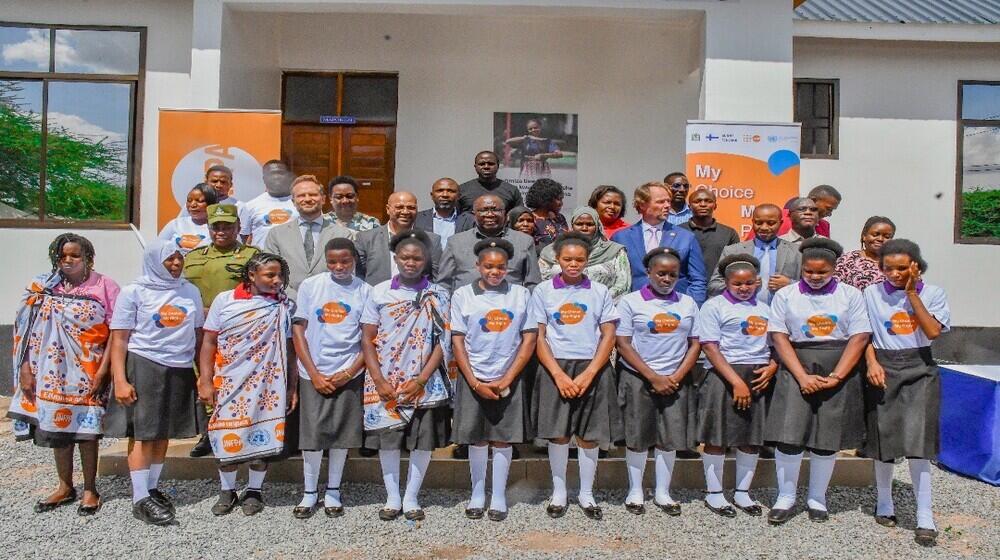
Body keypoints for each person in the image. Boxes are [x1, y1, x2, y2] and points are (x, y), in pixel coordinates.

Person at [7, 234, 119, 516]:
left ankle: (91, 488)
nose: (67, 260)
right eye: (62, 256)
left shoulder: (105, 286)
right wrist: (25, 370)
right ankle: (65, 485)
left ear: (88, 258)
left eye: (74, 255)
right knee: (58, 428)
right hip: (50, 372)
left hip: (89, 371)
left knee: (88, 431)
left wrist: (105, 371)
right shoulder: (41, 288)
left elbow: (117, 332)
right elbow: (24, 332)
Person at [764, 237, 872, 525]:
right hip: (796, 364)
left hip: (837, 365)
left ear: (834, 269)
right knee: (790, 434)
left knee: (827, 437)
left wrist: (837, 376)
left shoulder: (851, 295)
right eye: (809, 272)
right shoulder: (786, 295)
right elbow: (779, 335)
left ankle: (817, 498)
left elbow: (859, 337)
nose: (814, 277)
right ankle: (785, 498)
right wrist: (800, 375)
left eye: (821, 272)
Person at [105, 240, 204, 526]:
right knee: (144, 434)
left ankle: (152, 487)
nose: (176, 264)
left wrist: (203, 375)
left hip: (180, 367)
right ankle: (139, 499)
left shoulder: (189, 291)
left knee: (164, 433)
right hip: (145, 363)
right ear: (153, 261)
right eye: (169, 260)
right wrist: (120, 380)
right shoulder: (133, 291)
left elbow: (197, 336)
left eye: (178, 259)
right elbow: (120, 339)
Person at [360, 230, 452, 522]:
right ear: (395, 259)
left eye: (417, 258)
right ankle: (392, 497)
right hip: (385, 379)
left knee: (421, 441)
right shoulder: (379, 292)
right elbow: (367, 338)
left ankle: (412, 496)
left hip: (424, 381)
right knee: (388, 440)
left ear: (426, 261)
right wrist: (379, 380)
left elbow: (443, 341)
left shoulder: (438, 294)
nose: (410, 262)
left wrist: (422, 379)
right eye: (405, 257)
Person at [863, 239, 949, 546]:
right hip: (883, 366)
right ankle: (884, 501)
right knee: (884, 438)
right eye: (888, 268)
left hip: (919, 367)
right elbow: (866, 334)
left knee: (918, 441)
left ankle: (924, 514)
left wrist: (912, 293)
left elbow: (933, 331)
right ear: (880, 268)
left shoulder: (933, 293)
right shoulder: (871, 293)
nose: (895, 274)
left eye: (902, 268)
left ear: (916, 265)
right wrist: (872, 363)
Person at [197, 252, 296, 517]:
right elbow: (209, 341)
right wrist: (205, 379)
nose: (277, 280)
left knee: (260, 435)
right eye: (270, 275)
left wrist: (292, 387)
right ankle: (227, 490)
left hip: (268, 383)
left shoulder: (283, 306)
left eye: (280, 275)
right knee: (223, 434)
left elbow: (289, 348)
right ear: (252, 275)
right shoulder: (225, 300)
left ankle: (254, 490)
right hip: (229, 379)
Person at [529, 232, 619, 520]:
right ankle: (559, 492)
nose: (573, 264)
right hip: (555, 368)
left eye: (579, 259)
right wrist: (558, 375)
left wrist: (591, 371)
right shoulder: (543, 291)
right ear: (557, 259)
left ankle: (587, 493)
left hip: (592, 367)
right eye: (567, 259)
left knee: (589, 435)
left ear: (587, 260)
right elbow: (539, 336)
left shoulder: (600, 291)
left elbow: (608, 334)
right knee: (559, 433)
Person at [451, 238, 537, 522]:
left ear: (508, 268)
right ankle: (478, 493)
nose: (494, 272)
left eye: (500, 267)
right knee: (476, 438)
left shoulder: (521, 295)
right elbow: (458, 341)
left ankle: (498, 494)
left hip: (507, 376)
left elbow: (528, 339)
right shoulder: (464, 295)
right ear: (478, 266)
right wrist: (474, 381)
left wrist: (508, 377)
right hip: (473, 375)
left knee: (502, 439)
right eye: (488, 266)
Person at [615, 248, 700, 517]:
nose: (666, 279)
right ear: (649, 272)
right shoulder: (630, 302)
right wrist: (652, 376)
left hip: (675, 378)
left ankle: (663, 492)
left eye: (672, 274)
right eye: (661, 273)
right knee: (638, 435)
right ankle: (635, 490)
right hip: (638, 376)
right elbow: (623, 344)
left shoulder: (687, 304)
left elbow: (696, 343)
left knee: (669, 437)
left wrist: (676, 376)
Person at [289, 238, 370, 519]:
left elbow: (369, 339)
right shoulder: (311, 286)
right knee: (312, 435)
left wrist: (348, 372)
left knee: (340, 434)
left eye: (345, 261)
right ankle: (309, 491)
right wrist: (313, 373)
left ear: (354, 260)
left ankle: (333, 489)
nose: (339, 267)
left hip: (348, 371)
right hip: (314, 371)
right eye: (332, 261)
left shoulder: (365, 290)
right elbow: (299, 329)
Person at [695, 254, 777, 518]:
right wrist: (736, 382)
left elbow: (778, 343)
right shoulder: (714, 306)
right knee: (716, 437)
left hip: (757, 374)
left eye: (749, 283)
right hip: (725, 374)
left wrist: (773, 366)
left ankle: (742, 492)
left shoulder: (766, 309)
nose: (744, 288)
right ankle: (714, 493)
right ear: (726, 283)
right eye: (737, 284)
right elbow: (710, 346)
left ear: (758, 282)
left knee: (751, 438)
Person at [183, 203, 261, 458]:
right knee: (204, 375)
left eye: (228, 226)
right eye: (216, 226)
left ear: (238, 227)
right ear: (209, 227)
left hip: (240, 330)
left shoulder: (253, 255)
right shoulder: (193, 257)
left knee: (236, 378)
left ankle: (242, 428)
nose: (222, 231)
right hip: (201, 330)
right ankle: (209, 431)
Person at [611, 182, 707, 305]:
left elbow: (698, 280)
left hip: (674, 308)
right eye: (661, 202)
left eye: (668, 201)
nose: (667, 206)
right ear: (642, 205)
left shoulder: (686, 237)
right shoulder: (621, 237)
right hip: (635, 308)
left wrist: (692, 306)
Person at [263, 174, 355, 300]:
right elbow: (271, 273)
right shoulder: (276, 234)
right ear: (293, 201)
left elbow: (348, 272)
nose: (307, 199)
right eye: (301, 195)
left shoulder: (343, 234)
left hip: (330, 304)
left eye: (313, 194)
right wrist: (296, 298)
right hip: (288, 303)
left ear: (323, 199)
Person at [438, 193, 541, 292]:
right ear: (474, 214)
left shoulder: (524, 241)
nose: (490, 214)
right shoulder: (455, 242)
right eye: (484, 210)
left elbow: (532, 283)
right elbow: (444, 283)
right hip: (467, 307)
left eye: (496, 210)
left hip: (510, 306)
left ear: (505, 213)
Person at [708, 204, 800, 303]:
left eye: (771, 223)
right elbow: (714, 286)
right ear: (752, 222)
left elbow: (813, 284)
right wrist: (741, 284)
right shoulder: (733, 251)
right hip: (742, 312)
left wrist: (790, 284)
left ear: (780, 223)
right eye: (759, 223)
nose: (764, 227)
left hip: (783, 313)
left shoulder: (797, 252)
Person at [539, 207, 631, 302]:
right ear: (572, 226)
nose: (584, 228)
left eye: (590, 224)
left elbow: (623, 284)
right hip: (559, 306)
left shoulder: (614, 251)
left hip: (602, 308)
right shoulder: (553, 251)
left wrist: (596, 303)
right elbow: (543, 281)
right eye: (579, 224)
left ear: (597, 225)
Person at [355, 192, 442, 286]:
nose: (405, 212)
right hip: (377, 298)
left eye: (411, 207)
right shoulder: (366, 238)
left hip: (418, 298)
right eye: (399, 207)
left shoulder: (432, 240)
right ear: (388, 209)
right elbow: (358, 274)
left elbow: (438, 277)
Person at [679, 189, 739, 277]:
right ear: (689, 206)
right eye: (697, 201)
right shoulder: (678, 231)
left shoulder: (729, 233)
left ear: (715, 206)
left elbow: (735, 264)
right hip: (686, 288)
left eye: (708, 201)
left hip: (718, 287)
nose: (703, 204)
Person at [241, 160, 298, 247]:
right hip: (263, 258)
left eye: (280, 173)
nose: (276, 177)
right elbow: (244, 236)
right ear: (264, 179)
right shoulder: (250, 206)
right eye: (272, 174)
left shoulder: (301, 203)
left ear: (288, 176)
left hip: (293, 258)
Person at [835, 216, 896, 291]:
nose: (880, 239)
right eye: (875, 235)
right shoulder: (847, 259)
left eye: (887, 237)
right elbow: (835, 289)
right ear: (864, 236)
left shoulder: (896, 264)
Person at [413, 177, 475, 247]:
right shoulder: (417, 219)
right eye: (440, 191)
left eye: (451, 191)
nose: (445, 195)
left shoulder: (470, 221)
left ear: (459, 196)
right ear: (432, 195)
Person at [158, 183, 219, 253]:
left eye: (199, 201)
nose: (193, 205)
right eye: (189, 200)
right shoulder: (175, 224)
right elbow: (158, 247)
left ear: (211, 204)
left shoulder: (218, 227)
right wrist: (176, 244)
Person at [458, 151, 524, 214]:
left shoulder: (511, 190)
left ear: (498, 166)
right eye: (482, 164)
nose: (486, 167)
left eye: (491, 164)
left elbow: (519, 215)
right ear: (475, 167)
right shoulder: (462, 190)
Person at [774, 185, 840, 238]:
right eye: (828, 208)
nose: (829, 214)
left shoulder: (824, 225)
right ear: (813, 200)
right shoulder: (777, 217)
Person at [526, 178, 570, 248]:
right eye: (559, 199)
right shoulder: (529, 220)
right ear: (546, 199)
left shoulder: (560, 218)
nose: (561, 203)